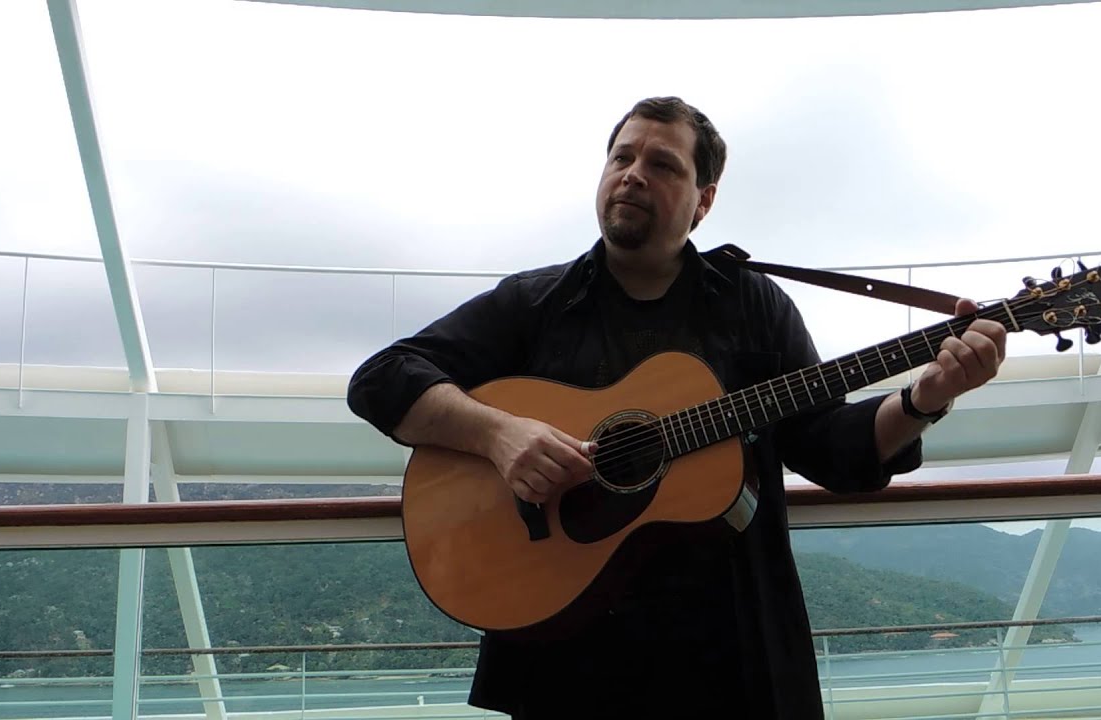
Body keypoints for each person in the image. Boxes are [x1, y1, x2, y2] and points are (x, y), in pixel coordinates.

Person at [346, 96, 1006, 718]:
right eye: (622, 158)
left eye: (661, 164)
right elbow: (381, 378)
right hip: (566, 663)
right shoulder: (534, 305)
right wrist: (499, 435)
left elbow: (829, 444)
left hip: (730, 653)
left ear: (703, 201)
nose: (633, 175)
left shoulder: (753, 305)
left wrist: (924, 398)